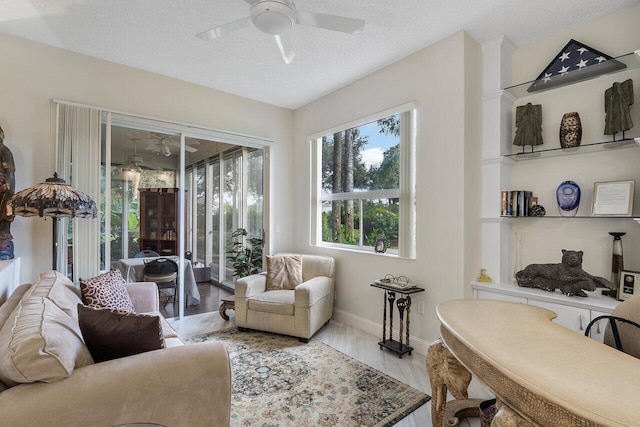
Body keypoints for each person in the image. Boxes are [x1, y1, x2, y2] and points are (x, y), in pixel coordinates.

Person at [0, 126, 15, 242]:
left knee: (5, 209)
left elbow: (9, 171)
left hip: (3, 187)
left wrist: (6, 184)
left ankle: (4, 232)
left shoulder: (4, 151)